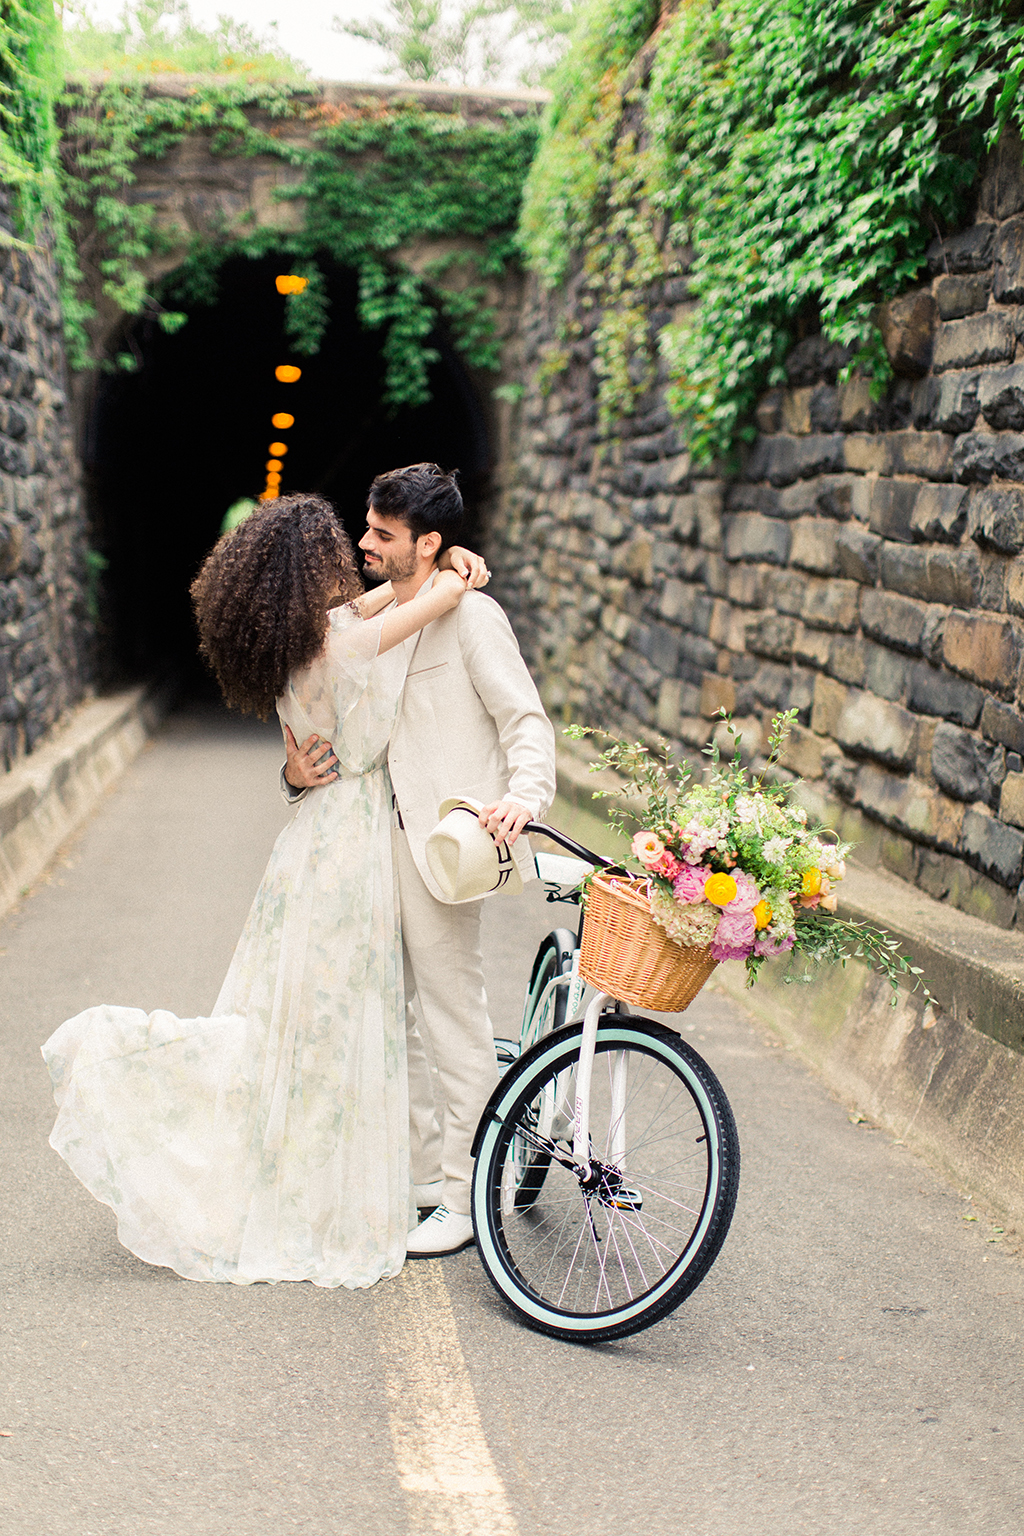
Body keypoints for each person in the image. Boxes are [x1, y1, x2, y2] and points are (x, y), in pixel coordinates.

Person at [41, 493, 485, 1289]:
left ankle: (340, 1161)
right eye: (340, 552)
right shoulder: (342, 647)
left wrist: (430, 569)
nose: (357, 555)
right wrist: (453, 567)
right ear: (314, 571)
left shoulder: (302, 644)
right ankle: (369, 1178)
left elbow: (382, 601)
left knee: (298, 1019)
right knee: (344, 1017)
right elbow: (428, 601)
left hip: (309, 846)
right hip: (350, 844)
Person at [282, 464, 556, 1258]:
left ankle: (469, 1191)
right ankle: (420, 1179)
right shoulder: (367, 618)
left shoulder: (472, 619)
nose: (364, 543)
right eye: (367, 528)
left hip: (439, 845)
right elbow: (316, 711)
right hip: (363, 847)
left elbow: (524, 719)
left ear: (429, 544)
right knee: (386, 1012)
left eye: (383, 534)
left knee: (451, 1015)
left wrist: (525, 799)